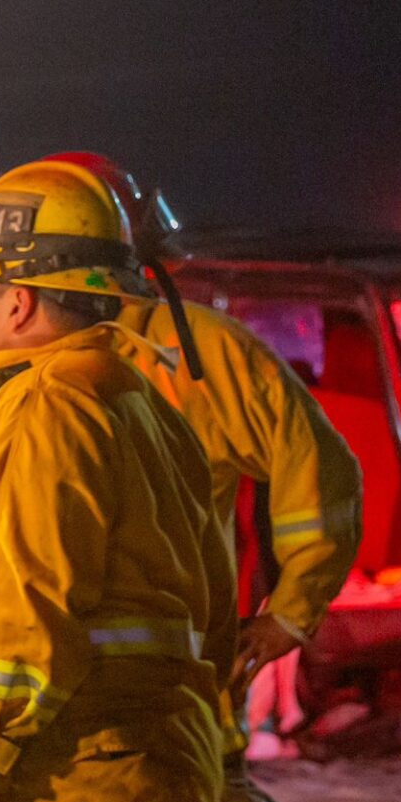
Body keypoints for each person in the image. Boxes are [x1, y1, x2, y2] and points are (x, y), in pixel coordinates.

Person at [0, 158, 237, 802]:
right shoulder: (143, 407)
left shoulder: (48, 412)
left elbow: (30, 609)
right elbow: (214, 612)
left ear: (19, 302)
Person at [39, 153, 363, 687]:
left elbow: (314, 459)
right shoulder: (9, 366)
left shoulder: (194, 350)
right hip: (62, 700)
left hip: (172, 693)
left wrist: (289, 613)